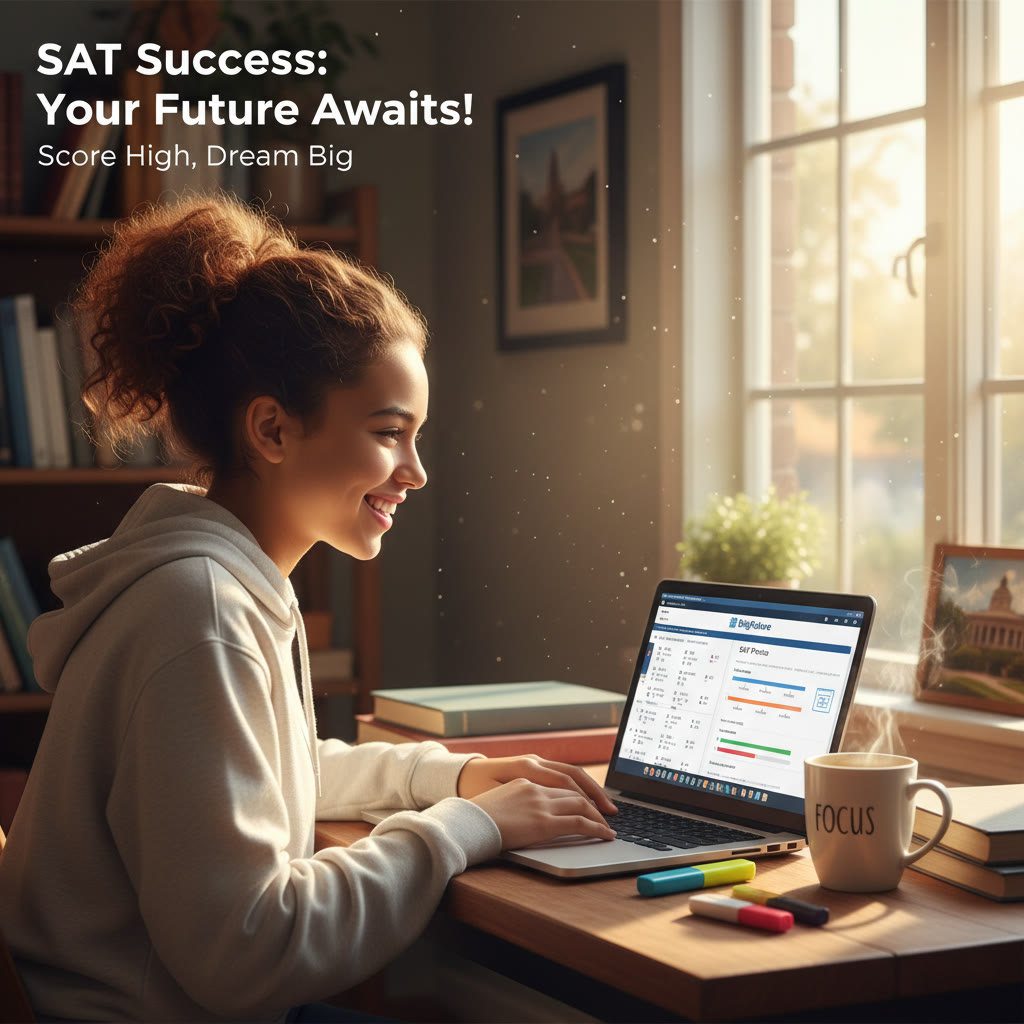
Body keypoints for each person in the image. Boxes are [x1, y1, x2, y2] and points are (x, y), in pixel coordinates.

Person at [0, 194, 617, 1023]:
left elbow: (269, 774)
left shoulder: (221, 581)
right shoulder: (199, 614)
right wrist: (469, 826)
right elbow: (251, 949)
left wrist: (454, 777)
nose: (416, 471)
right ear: (272, 430)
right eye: (389, 432)